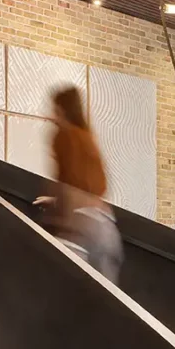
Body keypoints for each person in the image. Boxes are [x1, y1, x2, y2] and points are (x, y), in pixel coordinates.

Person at [43, 85, 122, 280]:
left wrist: (56, 208)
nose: (51, 117)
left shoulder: (63, 137)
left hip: (80, 229)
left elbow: (68, 188)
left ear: (61, 110)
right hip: (106, 230)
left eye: (54, 110)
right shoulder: (89, 139)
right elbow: (98, 186)